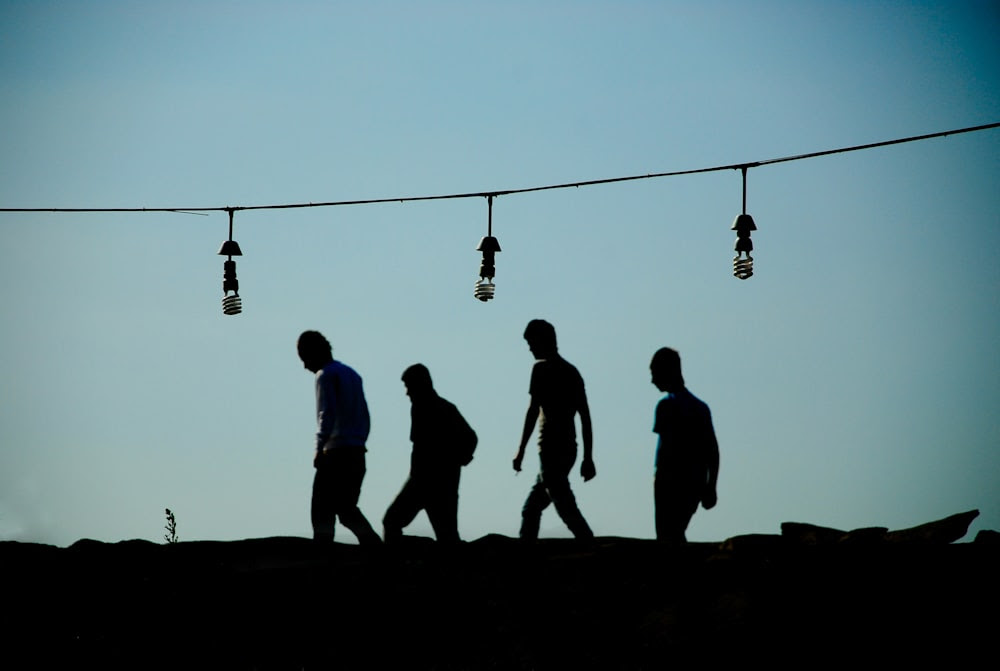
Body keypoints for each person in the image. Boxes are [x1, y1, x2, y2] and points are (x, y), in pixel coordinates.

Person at [512, 319, 595, 540]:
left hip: (551, 449)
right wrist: (587, 457)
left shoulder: (541, 369)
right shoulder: (572, 372)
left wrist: (520, 450)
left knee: (564, 505)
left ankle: (588, 543)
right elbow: (585, 418)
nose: (529, 348)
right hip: (569, 450)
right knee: (532, 508)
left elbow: (532, 411)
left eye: (531, 342)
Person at [297, 330, 381, 545]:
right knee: (346, 508)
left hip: (336, 452)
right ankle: (373, 545)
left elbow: (326, 414)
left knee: (321, 508)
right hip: (357, 451)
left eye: (305, 358)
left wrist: (319, 447)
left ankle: (324, 555)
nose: (305, 366)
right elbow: (365, 414)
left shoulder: (325, 375)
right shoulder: (352, 374)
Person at [383, 364, 477, 544]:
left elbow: (470, 438)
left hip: (428, 482)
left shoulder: (435, 408)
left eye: (409, 387)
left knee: (393, 521)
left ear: (420, 385)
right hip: (433, 482)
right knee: (446, 536)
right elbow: (470, 438)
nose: (407, 393)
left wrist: (455, 462)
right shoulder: (434, 407)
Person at [649, 347, 719, 543]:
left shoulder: (666, 406)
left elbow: (665, 451)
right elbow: (712, 451)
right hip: (694, 481)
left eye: (655, 373)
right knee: (675, 532)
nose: (653, 380)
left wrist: (660, 478)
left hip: (670, 481)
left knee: (667, 535)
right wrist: (711, 485)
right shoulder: (700, 408)